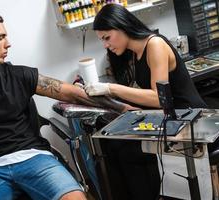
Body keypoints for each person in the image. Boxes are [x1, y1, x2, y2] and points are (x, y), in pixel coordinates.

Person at [0, 13, 133, 200]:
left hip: (35, 160)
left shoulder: (19, 76)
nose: (8, 44)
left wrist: (120, 108)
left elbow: (73, 93)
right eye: (0, 38)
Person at [84, 3, 207, 200]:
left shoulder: (155, 45)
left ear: (122, 26)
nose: (105, 45)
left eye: (107, 38)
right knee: (112, 146)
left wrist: (110, 88)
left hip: (191, 117)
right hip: (170, 118)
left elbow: (159, 98)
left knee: (128, 153)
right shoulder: (134, 52)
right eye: (102, 40)